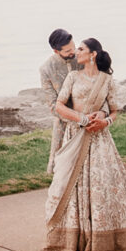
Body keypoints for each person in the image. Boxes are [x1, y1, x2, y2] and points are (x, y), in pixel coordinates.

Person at [42, 37, 126, 251]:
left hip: (100, 142)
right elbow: (60, 106)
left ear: (92, 55)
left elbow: (115, 111)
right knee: (70, 187)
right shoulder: (72, 77)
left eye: (81, 49)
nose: (77, 52)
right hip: (77, 136)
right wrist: (81, 119)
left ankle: (105, 240)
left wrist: (104, 121)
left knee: (102, 187)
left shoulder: (107, 81)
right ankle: (73, 241)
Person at [40, 28, 86, 173]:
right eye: (67, 51)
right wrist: (75, 119)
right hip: (64, 121)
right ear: (56, 51)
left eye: (73, 47)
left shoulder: (81, 58)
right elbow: (53, 106)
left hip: (88, 114)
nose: (73, 52)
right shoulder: (46, 69)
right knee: (62, 168)